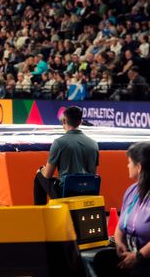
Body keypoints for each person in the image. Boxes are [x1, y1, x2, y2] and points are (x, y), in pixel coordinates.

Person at [93, 141, 150, 277]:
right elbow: (121, 223)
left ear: (139, 167)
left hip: (145, 259)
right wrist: (118, 242)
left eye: (130, 162)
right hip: (131, 253)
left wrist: (139, 256)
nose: (127, 165)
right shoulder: (131, 191)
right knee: (100, 260)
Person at [33, 106, 99, 205]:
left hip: (66, 193)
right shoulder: (94, 144)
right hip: (88, 191)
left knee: (39, 176)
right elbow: (93, 173)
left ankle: (40, 215)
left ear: (64, 121)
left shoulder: (59, 143)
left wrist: (41, 169)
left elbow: (47, 175)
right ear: (80, 122)